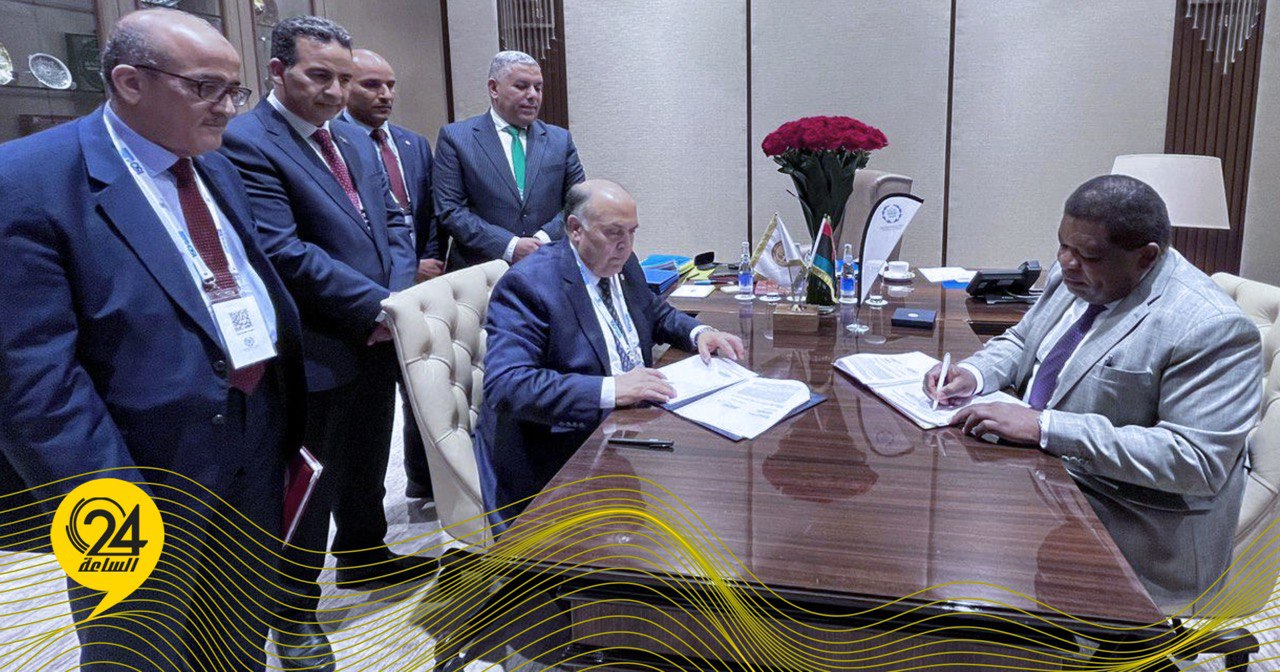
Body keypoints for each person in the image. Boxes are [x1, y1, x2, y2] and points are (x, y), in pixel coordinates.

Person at [0, 9, 305, 671]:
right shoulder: (26, 180)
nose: (228, 108)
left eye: (235, 90)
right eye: (205, 88)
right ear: (130, 82)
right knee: (141, 648)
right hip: (131, 467)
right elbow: (30, 379)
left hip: (251, 436)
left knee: (234, 635)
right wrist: (108, 505)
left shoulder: (213, 164)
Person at [925, 174, 1262, 613]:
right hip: (1048, 479)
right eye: (1062, 245)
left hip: (1133, 523)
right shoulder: (1080, 275)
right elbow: (1024, 341)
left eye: (1087, 255)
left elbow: (1195, 462)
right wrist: (972, 374)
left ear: (1146, 258)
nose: (1066, 263)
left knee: (967, 568)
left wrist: (1045, 427)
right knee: (934, 508)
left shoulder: (1211, 326)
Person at [219, 16, 426, 671]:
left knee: (367, 455)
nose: (336, 91)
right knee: (310, 483)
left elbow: (395, 222)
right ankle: (295, 613)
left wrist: (395, 300)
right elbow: (282, 250)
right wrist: (376, 305)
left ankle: (364, 554)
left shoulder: (354, 138)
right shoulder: (247, 141)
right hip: (314, 346)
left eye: (343, 78)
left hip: (376, 333)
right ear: (278, 72)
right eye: (320, 76)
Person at [475, 180, 745, 528]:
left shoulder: (622, 261)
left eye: (632, 232)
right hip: (566, 455)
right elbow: (507, 385)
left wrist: (699, 332)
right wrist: (612, 388)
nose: (626, 245)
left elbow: (653, 312)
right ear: (575, 229)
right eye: (614, 232)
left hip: (632, 427)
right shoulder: (529, 285)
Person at [341, 47, 444, 500]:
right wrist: (403, 276)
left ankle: (423, 479)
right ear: (346, 86)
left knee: (426, 385)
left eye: (390, 85)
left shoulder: (412, 143)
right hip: (375, 291)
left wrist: (429, 259)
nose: (385, 94)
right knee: (375, 404)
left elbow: (431, 212)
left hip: (424, 281)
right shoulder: (339, 143)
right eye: (372, 85)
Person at [433, 50, 586, 269]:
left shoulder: (560, 140)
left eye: (538, 88)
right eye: (522, 86)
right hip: (483, 271)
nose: (533, 95)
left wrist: (542, 239)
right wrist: (510, 246)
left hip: (548, 264)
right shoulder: (456, 138)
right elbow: (450, 210)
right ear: (494, 88)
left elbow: (579, 202)